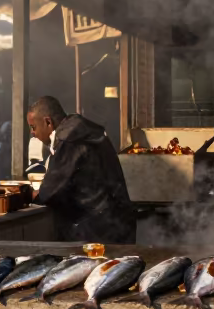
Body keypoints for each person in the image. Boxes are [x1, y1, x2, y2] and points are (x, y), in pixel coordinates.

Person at [26, 95, 136, 244]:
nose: (32, 133)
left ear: (48, 122)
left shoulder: (70, 141)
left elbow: (50, 193)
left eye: (33, 127)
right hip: (119, 222)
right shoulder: (87, 132)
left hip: (98, 230)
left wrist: (27, 194)